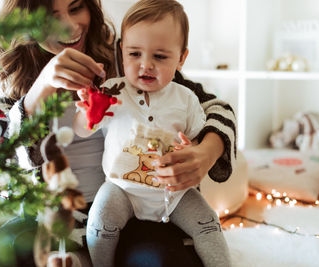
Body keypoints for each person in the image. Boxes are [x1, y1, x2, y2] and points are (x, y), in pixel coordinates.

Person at [0, 0, 237, 266]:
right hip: (49, 219)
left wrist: (207, 152)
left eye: (76, 8)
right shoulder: (11, 75)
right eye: (51, 17)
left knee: (162, 260)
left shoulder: (130, 57)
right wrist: (42, 87)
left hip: (135, 211)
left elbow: (215, 108)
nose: (70, 26)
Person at [72, 1, 231, 266]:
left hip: (174, 191)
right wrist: (90, 113)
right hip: (122, 189)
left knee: (208, 224)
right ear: (121, 50)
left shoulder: (186, 99)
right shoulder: (113, 91)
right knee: (100, 221)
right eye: (135, 54)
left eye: (160, 57)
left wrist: (190, 148)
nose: (146, 65)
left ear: (181, 58)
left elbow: (196, 139)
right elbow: (83, 129)